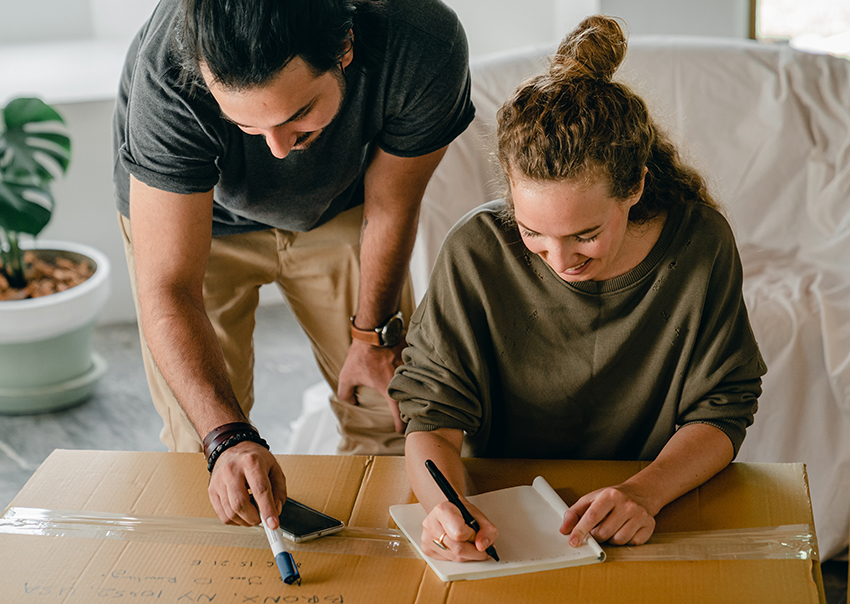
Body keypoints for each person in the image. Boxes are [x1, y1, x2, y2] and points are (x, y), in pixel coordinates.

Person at [389, 15, 766, 562]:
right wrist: (442, 508)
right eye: (532, 232)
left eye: (585, 235)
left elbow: (723, 409)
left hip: (647, 512)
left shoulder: (700, 244)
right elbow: (433, 417)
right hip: (503, 518)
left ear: (635, 184)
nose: (560, 261)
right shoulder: (475, 251)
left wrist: (645, 491)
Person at [112, 0, 474, 531]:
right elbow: (169, 288)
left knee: (389, 414)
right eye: (246, 125)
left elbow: (393, 203)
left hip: (342, 205)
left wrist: (371, 336)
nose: (278, 150)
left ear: (345, 48)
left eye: (298, 114)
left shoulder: (423, 41)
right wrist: (228, 438)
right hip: (196, 217)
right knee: (206, 449)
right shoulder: (169, 69)